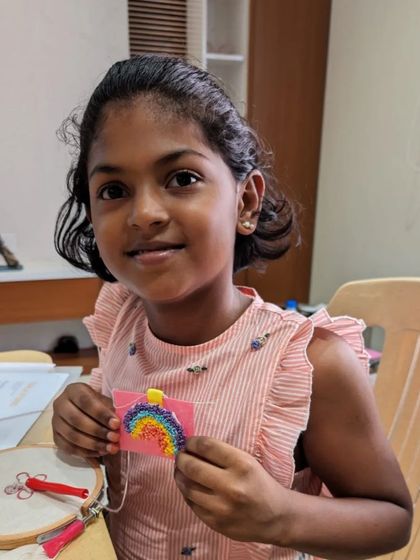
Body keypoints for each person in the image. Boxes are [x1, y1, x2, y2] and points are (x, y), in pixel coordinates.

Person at [52, 54, 412, 560]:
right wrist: (77, 420)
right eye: (113, 190)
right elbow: (107, 423)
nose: (146, 214)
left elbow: (393, 520)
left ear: (244, 203)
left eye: (181, 179)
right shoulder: (120, 322)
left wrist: (282, 515)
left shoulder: (308, 366)